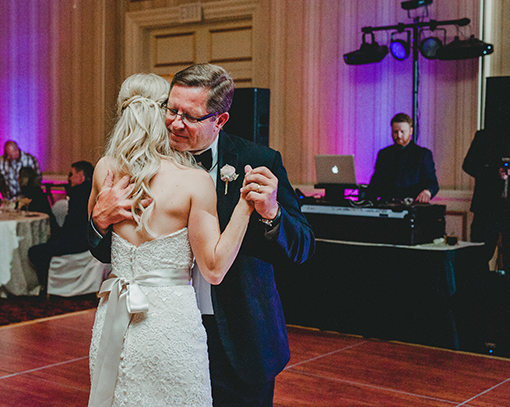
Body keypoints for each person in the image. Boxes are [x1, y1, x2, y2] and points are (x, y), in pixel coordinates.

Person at [89, 64, 315, 406]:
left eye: (190, 116)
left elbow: (302, 246)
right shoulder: (133, 166)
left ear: (219, 121)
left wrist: (272, 213)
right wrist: (99, 222)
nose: (175, 123)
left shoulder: (257, 159)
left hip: (238, 336)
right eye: (171, 109)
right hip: (154, 327)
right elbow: (110, 251)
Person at [27, 160, 94, 295]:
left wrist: (58, 237)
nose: (69, 178)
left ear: (81, 176)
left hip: (78, 241)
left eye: (71, 174)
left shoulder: (79, 193)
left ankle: (44, 286)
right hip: (89, 240)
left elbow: (72, 224)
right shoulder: (93, 191)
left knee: (34, 252)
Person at [463, 125, 510, 268]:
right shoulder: (484, 137)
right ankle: (480, 289)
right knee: (480, 255)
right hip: (486, 207)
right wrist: (493, 172)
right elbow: (468, 165)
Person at [366, 113, 439, 204]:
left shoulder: (423, 154)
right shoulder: (384, 154)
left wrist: (427, 192)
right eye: (395, 132)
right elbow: (376, 182)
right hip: (387, 204)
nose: (399, 135)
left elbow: (432, 182)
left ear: (411, 131)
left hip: (412, 205)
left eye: (402, 132)